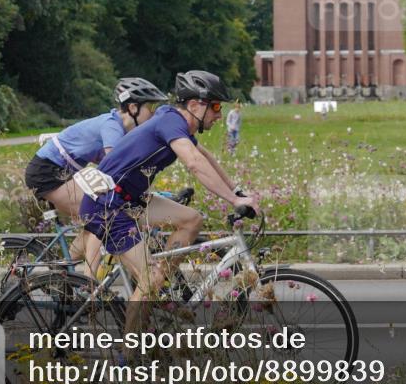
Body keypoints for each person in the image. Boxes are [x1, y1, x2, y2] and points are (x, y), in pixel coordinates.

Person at [78, 70, 260, 334]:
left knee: (192, 220)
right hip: (107, 203)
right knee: (149, 281)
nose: (220, 115)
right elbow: (194, 164)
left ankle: (160, 283)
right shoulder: (170, 122)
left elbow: (204, 156)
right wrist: (232, 200)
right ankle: (130, 360)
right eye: (216, 106)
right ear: (195, 105)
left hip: (129, 199)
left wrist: (238, 191)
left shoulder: (174, 122)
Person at [24, 77, 170, 275]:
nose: (154, 113)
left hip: (60, 171)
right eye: (150, 107)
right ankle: (89, 284)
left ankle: (60, 270)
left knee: (97, 217)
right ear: (133, 108)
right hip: (47, 172)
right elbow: (119, 167)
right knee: (102, 215)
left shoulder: (122, 128)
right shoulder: (112, 126)